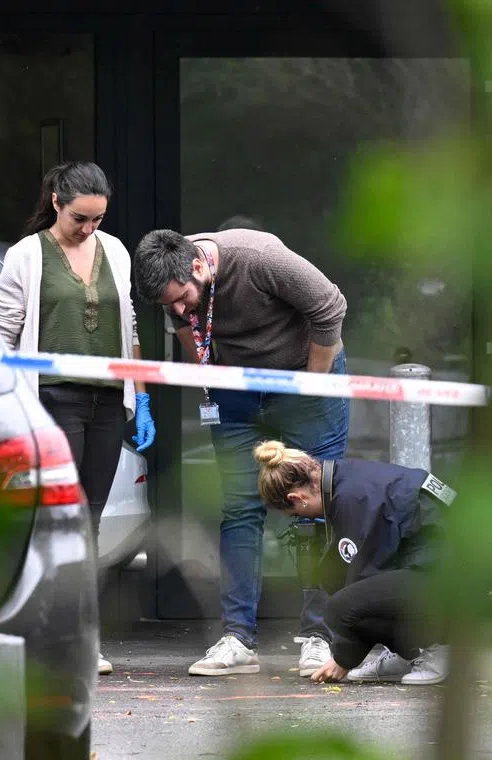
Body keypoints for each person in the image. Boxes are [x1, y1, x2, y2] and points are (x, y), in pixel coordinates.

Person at [133, 226, 349, 678]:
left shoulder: (259, 257)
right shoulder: (175, 280)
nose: (177, 308)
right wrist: (211, 378)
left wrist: (312, 384)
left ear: (198, 266)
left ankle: (319, 635)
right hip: (237, 391)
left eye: (181, 297)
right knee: (239, 508)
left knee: (315, 503)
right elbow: (185, 326)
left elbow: (330, 305)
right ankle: (238, 638)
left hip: (304, 378)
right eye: (166, 305)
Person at [0, 161, 156, 676]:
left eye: (98, 219)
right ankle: (43, 634)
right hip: (51, 399)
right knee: (51, 519)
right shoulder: (26, 254)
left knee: (89, 520)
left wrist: (141, 394)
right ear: (57, 201)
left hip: (106, 402)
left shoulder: (117, 252)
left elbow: (127, 322)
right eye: (80, 218)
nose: (89, 229)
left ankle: (82, 637)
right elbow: (2, 330)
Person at [252, 440, 451, 685]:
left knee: (340, 607)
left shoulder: (351, 498)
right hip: (437, 563)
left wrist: (343, 659)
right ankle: (407, 653)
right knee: (333, 575)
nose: (299, 518)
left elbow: (364, 581)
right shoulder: (345, 478)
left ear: (298, 497)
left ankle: (438, 647)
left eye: (295, 514)